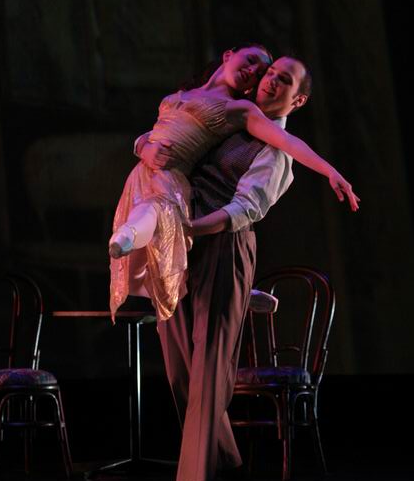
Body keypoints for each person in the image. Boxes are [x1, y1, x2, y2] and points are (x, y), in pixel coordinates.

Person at [137, 55, 331, 481]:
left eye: (284, 80)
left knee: (209, 365)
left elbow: (244, 209)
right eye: (270, 73)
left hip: (223, 245)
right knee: (180, 370)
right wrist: (143, 145)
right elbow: (172, 140)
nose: (271, 81)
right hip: (182, 245)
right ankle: (230, 468)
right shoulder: (231, 118)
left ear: (297, 99)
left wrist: (189, 228)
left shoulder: (276, 151)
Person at [109, 45, 359, 324]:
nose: (254, 72)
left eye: (259, 72)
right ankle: (240, 295)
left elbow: (287, 142)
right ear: (228, 55)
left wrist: (330, 171)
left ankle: (132, 236)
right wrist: (143, 147)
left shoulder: (240, 110)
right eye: (254, 63)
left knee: (151, 215)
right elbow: (160, 131)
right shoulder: (185, 95)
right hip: (144, 175)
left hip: (173, 185)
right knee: (133, 277)